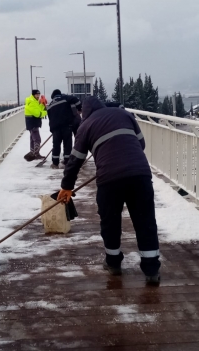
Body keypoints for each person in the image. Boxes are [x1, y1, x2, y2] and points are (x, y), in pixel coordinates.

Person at [57, 96, 161, 284]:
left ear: (85, 112)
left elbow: (75, 160)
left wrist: (66, 187)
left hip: (109, 179)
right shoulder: (124, 114)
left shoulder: (85, 125)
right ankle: (152, 270)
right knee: (145, 221)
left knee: (110, 221)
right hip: (140, 174)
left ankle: (113, 264)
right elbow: (141, 144)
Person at [46, 89, 81, 169]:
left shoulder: (50, 105)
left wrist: (53, 129)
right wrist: (79, 108)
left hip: (55, 128)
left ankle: (55, 163)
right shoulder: (65, 98)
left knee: (56, 145)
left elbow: (50, 118)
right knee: (67, 144)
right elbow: (76, 99)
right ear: (60, 94)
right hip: (66, 126)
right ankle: (67, 162)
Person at [24, 90, 48, 159]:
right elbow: (38, 114)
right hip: (33, 123)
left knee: (32, 139)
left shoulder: (34, 101)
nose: (38, 96)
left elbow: (38, 110)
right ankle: (36, 154)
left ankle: (32, 153)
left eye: (39, 95)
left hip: (31, 122)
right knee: (37, 139)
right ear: (33, 95)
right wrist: (46, 112)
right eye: (37, 95)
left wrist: (42, 105)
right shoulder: (32, 102)